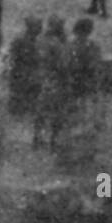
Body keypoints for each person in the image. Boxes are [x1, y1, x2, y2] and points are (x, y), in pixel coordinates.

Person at [34, 15, 71, 150]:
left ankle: (37, 138)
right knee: (58, 113)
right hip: (56, 80)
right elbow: (63, 64)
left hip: (42, 78)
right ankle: (54, 141)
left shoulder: (39, 39)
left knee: (41, 111)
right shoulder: (56, 43)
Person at [69, 17, 102, 132]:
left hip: (75, 77)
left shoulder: (71, 45)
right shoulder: (93, 45)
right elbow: (95, 63)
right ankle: (91, 125)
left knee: (79, 102)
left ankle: (79, 124)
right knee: (90, 102)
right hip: (88, 77)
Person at [6, 16, 43, 117]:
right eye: (38, 27)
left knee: (30, 102)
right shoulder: (20, 41)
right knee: (19, 102)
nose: (40, 29)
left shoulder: (38, 42)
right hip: (22, 75)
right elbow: (11, 57)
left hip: (30, 76)